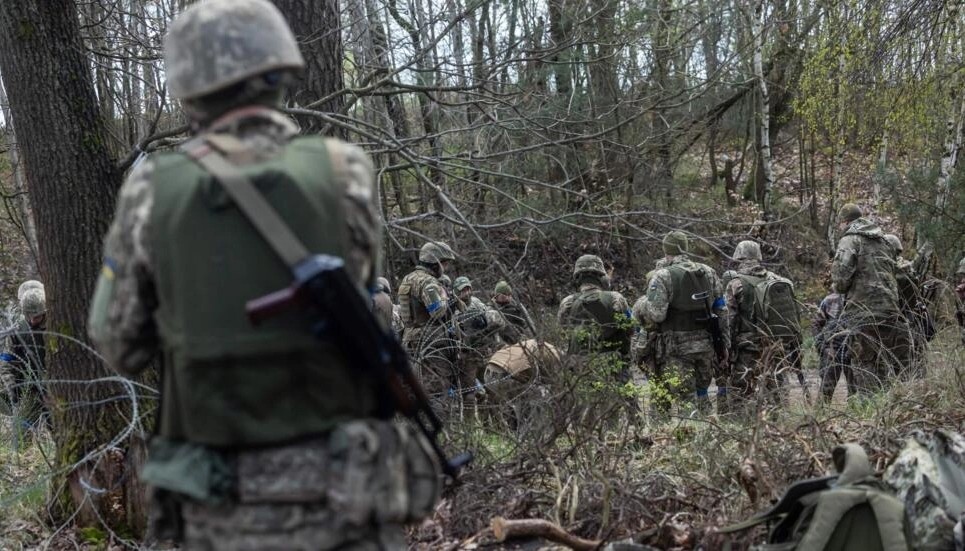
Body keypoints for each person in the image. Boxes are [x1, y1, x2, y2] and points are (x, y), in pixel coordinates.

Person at [87, 1, 441, 547]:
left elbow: (117, 344)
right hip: (341, 493)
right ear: (282, 69)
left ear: (189, 88)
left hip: (215, 504)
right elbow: (364, 294)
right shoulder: (344, 168)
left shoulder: (152, 188)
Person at [634, 231, 726, 415]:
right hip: (705, 345)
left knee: (685, 400)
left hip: (676, 348)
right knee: (702, 394)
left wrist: (643, 302)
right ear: (685, 247)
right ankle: (710, 437)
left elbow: (657, 315)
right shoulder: (708, 272)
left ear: (666, 250)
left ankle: (689, 439)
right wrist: (724, 344)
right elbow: (721, 310)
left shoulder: (662, 276)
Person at [831, 204, 911, 393]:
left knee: (865, 367)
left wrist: (837, 286)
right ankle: (887, 411)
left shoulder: (850, 240)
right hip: (891, 313)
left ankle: (869, 414)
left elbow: (841, 280)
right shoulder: (884, 241)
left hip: (863, 313)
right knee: (884, 367)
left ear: (845, 222)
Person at [724, 240, 805, 409]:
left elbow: (729, 322)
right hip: (776, 344)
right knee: (777, 388)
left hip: (748, 348)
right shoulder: (782, 281)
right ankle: (780, 424)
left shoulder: (736, 284)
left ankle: (739, 428)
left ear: (738, 257)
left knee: (740, 391)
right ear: (759, 257)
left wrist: (727, 350)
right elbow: (794, 315)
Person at [398, 241, 459, 394]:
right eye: (444, 264)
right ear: (435, 263)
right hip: (431, 341)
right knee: (437, 389)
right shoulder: (428, 282)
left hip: (410, 338)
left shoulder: (408, 279)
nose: (446, 269)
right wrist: (445, 297)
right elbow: (437, 311)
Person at [1, 287, 49, 437]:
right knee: (21, 435)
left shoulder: (56, 325)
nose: (33, 320)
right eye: (29, 316)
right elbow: (6, 359)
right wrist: (10, 384)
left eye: (38, 316)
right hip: (32, 389)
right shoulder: (19, 329)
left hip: (56, 389)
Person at [451, 276, 505, 403]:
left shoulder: (477, 303)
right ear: (456, 292)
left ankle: (494, 420)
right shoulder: (453, 309)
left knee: (491, 389)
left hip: (484, 352)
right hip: (466, 356)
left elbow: (495, 321)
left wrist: (489, 329)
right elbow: (454, 332)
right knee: (469, 394)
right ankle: (470, 423)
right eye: (463, 290)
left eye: (468, 289)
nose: (467, 293)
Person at [885, 234, 931, 375]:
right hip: (911, 318)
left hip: (895, 320)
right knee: (914, 363)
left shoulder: (890, 268)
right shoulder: (908, 267)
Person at [813, 283, 854, 402]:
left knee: (856, 389)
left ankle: (856, 416)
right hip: (833, 349)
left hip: (854, 349)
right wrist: (823, 347)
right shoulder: (830, 301)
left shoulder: (859, 300)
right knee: (826, 388)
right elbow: (816, 324)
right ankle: (820, 417)